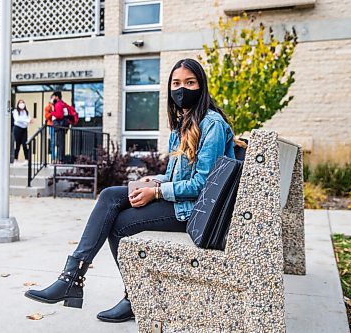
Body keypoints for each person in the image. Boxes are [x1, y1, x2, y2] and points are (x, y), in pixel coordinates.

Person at [24, 58, 238, 323]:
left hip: (195, 213)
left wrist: (157, 193)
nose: (182, 89)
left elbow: (203, 185)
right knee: (110, 196)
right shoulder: (183, 124)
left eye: (190, 82)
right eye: (177, 83)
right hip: (182, 202)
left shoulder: (212, 125)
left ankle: (116, 291)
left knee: (119, 223)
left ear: (201, 86)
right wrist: (156, 180)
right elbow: (177, 175)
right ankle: (77, 278)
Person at [12, 100, 31, 164]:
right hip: (17, 128)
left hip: (24, 129)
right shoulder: (15, 111)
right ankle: (15, 159)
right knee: (17, 144)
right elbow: (17, 119)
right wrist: (27, 120)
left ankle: (26, 159)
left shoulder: (26, 112)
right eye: (20, 103)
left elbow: (29, 119)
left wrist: (28, 120)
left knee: (25, 144)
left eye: (23, 102)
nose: (22, 104)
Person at [44, 98, 56, 162]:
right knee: (53, 142)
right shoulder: (47, 107)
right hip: (51, 125)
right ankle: (53, 158)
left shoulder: (57, 105)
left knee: (58, 142)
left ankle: (58, 158)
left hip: (57, 125)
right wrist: (52, 112)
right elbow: (46, 116)